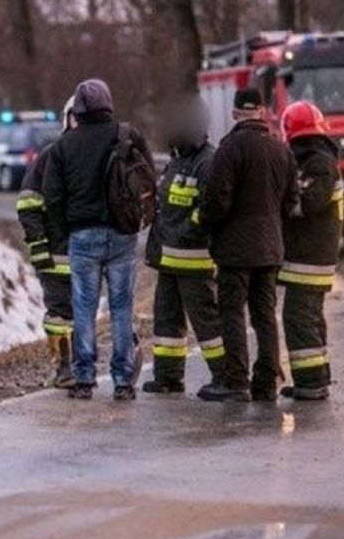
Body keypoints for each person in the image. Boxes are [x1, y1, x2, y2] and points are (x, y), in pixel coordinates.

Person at [42, 78, 153, 401]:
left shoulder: (64, 146)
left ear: (77, 109)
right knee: (121, 308)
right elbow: (147, 179)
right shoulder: (128, 135)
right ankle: (122, 380)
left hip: (83, 236)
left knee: (84, 308)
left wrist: (66, 232)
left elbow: (51, 196)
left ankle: (85, 378)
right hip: (122, 235)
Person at [197, 88, 298, 402]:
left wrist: (207, 224)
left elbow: (216, 201)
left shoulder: (229, 149)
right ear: (263, 112)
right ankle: (266, 383)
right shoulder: (282, 150)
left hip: (235, 249)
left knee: (232, 314)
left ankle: (235, 381)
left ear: (234, 113)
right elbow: (291, 201)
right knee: (265, 315)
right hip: (270, 247)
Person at [143, 109, 223, 393]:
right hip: (169, 258)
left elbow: (209, 208)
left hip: (194, 260)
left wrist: (184, 232)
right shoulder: (177, 160)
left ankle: (225, 376)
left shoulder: (208, 162)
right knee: (166, 319)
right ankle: (167, 377)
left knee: (207, 323)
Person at [278, 101, 342, 400]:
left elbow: (308, 203)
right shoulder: (313, 160)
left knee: (298, 316)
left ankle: (311, 383)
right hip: (308, 255)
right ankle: (316, 378)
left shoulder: (319, 164)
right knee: (310, 316)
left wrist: (278, 200)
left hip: (311, 258)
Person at [16, 137, 74, 388]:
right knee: (61, 314)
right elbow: (28, 203)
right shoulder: (51, 157)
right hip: (59, 254)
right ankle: (66, 367)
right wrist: (39, 245)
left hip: (82, 254)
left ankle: (73, 368)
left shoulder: (94, 152)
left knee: (74, 313)